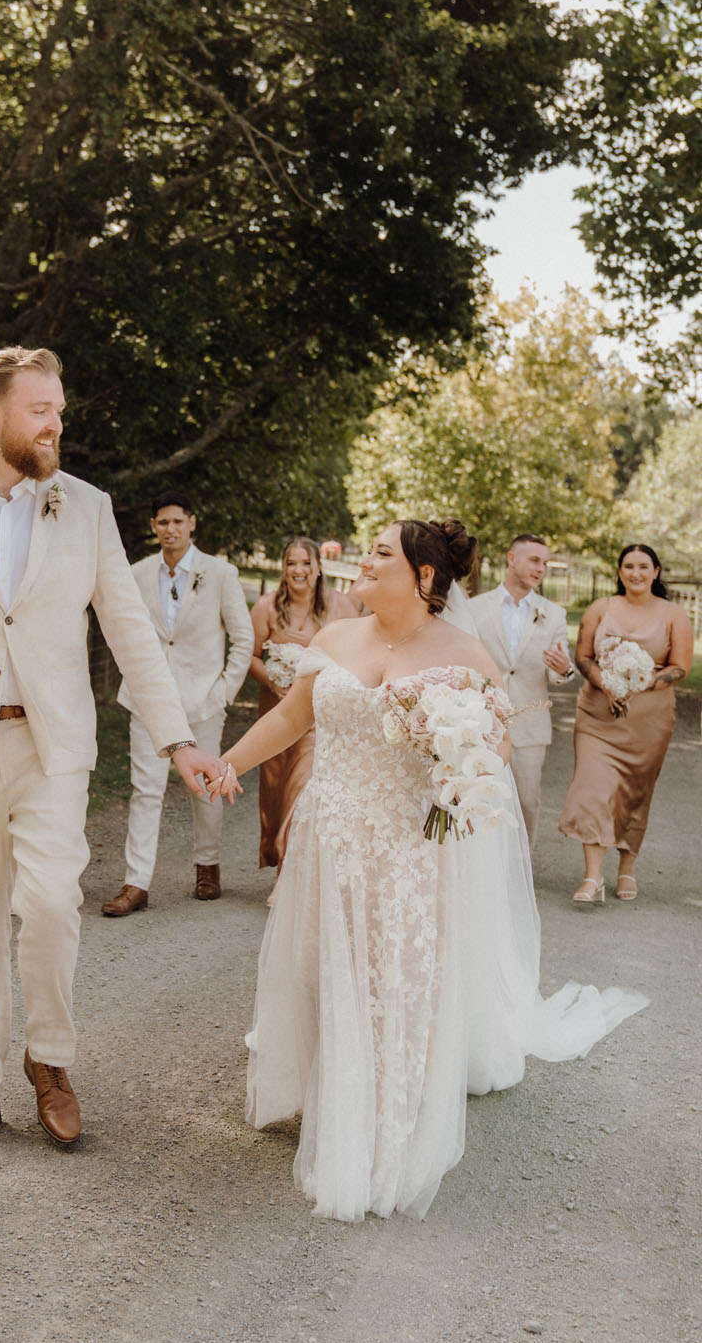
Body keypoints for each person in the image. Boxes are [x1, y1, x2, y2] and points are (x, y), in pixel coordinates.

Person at [208, 518, 648, 1221]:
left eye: (381, 554)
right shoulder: (334, 638)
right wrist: (229, 762)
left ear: (422, 576)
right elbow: (294, 718)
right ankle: (330, 1090)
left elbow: (496, 747)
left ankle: (387, 1116)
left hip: (412, 842)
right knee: (318, 963)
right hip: (334, 833)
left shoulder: (463, 653)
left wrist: (461, 759)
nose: (363, 562)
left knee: (396, 976)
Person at [0, 346, 222, 1158]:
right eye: (41, 411)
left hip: (53, 744)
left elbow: (128, 628)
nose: (57, 423)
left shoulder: (86, 506)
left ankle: (50, 1060)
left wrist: (180, 739)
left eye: (59, 409)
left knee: (52, 905)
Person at [102, 492, 253, 915]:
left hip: (203, 700)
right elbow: (124, 632)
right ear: (154, 527)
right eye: (162, 522)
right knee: (145, 790)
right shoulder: (135, 574)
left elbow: (243, 638)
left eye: (177, 522)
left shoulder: (219, 573)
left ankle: (207, 866)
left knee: (208, 787)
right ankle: (136, 883)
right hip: (147, 701)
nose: (170, 529)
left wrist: (223, 692)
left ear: (192, 523)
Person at [560, 543, 693, 904]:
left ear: (656, 572)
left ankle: (627, 868)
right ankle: (592, 878)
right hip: (597, 716)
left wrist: (638, 683)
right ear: (619, 572)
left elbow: (680, 667)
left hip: (648, 721)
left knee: (634, 794)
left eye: (643, 566)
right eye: (628, 566)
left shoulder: (673, 614)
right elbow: (583, 656)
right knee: (592, 786)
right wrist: (607, 683)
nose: (636, 572)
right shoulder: (601, 609)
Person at [247, 537, 357, 894]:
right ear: (284, 568)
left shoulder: (339, 607)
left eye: (305, 563)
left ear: (318, 568)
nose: (299, 571)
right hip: (275, 709)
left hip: (316, 717)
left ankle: (288, 880)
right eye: (292, 564)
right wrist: (276, 680)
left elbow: (357, 655)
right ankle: (279, 857)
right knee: (276, 790)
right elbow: (250, 657)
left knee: (303, 787)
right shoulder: (266, 607)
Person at [469, 534, 574, 845]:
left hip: (530, 725)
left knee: (526, 802)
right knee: (478, 797)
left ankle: (523, 868)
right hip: (480, 723)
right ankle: (482, 866)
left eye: (544, 563)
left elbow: (560, 675)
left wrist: (563, 670)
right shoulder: (475, 608)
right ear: (511, 559)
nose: (541, 568)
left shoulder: (554, 614)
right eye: (534, 560)